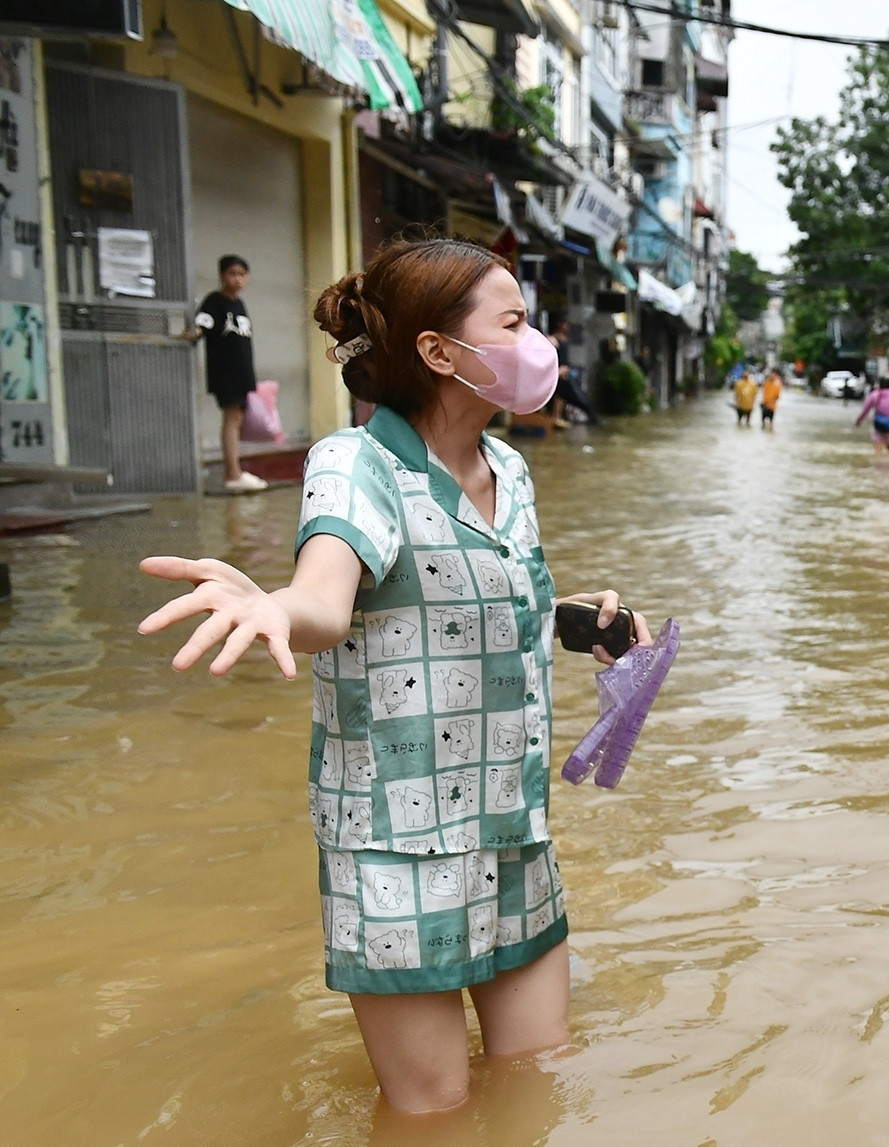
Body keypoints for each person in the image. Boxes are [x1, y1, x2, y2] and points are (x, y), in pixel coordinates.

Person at [137, 238, 654, 1116]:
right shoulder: (354, 465)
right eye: (515, 322)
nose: (539, 344)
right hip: (398, 848)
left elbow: (483, 597)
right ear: (439, 352)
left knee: (536, 1086)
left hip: (513, 828)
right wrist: (273, 607)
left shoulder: (512, 470)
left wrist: (582, 624)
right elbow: (326, 601)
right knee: (433, 1117)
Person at [182, 254, 267, 492]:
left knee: (237, 419)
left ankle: (235, 471)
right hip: (225, 373)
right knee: (231, 419)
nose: (238, 279)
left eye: (242, 274)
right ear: (222, 276)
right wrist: (194, 332)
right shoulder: (214, 301)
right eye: (232, 273)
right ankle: (232, 473)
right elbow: (203, 324)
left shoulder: (239, 304)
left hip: (241, 373)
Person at [547, 317, 602, 427]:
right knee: (578, 398)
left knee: (562, 397)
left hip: (565, 374)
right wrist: (556, 371)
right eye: (566, 324)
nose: (568, 327)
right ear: (560, 324)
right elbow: (546, 360)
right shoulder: (552, 340)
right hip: (557, 374)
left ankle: (557, 418)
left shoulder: (565, 339)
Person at [853, 376, 889, 454]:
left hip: (878, 425)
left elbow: (865, 410)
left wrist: (858, 421)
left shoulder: (875, 394)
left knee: (878, 451)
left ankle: (878, 465)